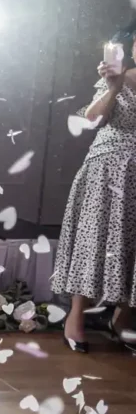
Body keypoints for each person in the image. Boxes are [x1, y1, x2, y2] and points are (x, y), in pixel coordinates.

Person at [52, 25, 136, 351]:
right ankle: (76, 317)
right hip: (107, 170)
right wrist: (114, 87)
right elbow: (91, 119)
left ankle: (123, 319)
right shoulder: (117, 76)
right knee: (94, 240)